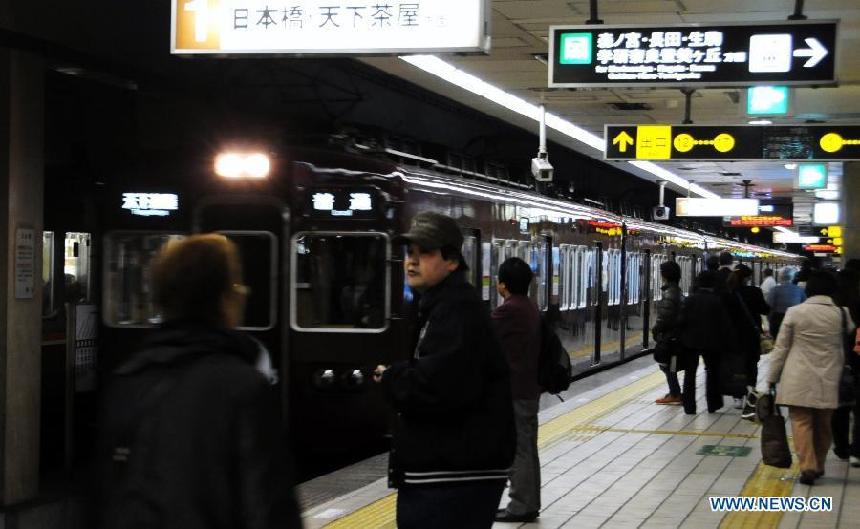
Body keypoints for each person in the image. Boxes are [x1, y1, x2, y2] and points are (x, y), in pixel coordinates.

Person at [96, 234, 302, 529]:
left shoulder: (127, 380)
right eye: (237, 287)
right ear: (224, 298)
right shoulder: (242, 387)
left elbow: (104, 496)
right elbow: (268, 507)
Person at [375, 212, 515, 529]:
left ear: (451, 260)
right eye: (409, 253)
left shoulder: (455, 311)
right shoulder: (444, 305)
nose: (411, 262)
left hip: (452, 474)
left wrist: (391, 377)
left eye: (424, 252)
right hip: (453, 470)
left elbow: (437, 386)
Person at [768, 271, 854, 485]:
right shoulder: (842, 314)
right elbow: (849, 335)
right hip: (830, 376)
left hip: (798, 377)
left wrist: (771, 377)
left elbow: (781, 348)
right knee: (824, 424)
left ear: (808, 290)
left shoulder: (794, 313)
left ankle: (808, 466)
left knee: (801, 421)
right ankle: (820, 464)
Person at [491, 257, 541, 523]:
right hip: (528, 388)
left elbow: (482, 336)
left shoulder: (509, 310)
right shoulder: (529, 306)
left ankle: (520, 505)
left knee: (519, 449)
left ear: (503, 284)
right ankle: (529, 502)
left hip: (515, 390)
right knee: (528, 448)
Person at [678, 271, 735, 414]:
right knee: (712, 373)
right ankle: (713, 404)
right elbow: (725, 324)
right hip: (712, 343)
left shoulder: (689, 300)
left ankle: (689, 406)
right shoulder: (716, 301)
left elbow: (680, 321)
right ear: (712, 285)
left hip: (690, 342)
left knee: (689, 374)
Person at [730, 264, 770, 419]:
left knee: (736, 366)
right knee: (752, 365)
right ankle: (751, 394)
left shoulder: (730, 292)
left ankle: (737, 397)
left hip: (734, 336)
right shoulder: (755, 291)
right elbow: (765, 310)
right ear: (748, 277)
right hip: (752, 336)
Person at [831, 267, 860, 467]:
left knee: (839, 406)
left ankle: (842, 447)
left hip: (838, 360)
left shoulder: (835, 304)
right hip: (857, 358)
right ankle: (857, 451)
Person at [652, 261, 684, 406]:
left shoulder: (670, 293)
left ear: (665, 275)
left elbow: (664, 317)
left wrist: (656, 330)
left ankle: (675, 393)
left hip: (670, 337)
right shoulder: (676, 291)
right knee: (669, 364)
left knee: (667, 365)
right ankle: (674, 392)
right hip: (674, 335)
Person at [766, 268, 806, 337]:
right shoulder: (800, 290)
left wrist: (770, 320)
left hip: (777, 320)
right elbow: (804, 306)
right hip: (794, 319)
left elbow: (768, 307)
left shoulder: (774, 290)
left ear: (780, 277)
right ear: (793, 277)